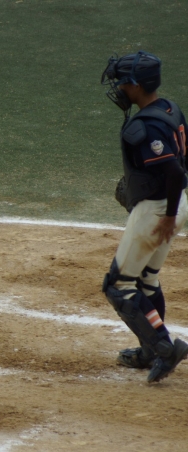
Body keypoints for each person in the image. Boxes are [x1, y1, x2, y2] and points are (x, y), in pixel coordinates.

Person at [101, 51, 188, 383]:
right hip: (177, 204)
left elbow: (174, 171)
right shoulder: (170, 109)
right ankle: (150, 351)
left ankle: (164, 347)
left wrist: (166, 215)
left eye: (123, 83)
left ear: (136, 85)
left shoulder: (143, 128)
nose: (120, 89)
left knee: (118, 286)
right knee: (146, 279)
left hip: (158, 211)